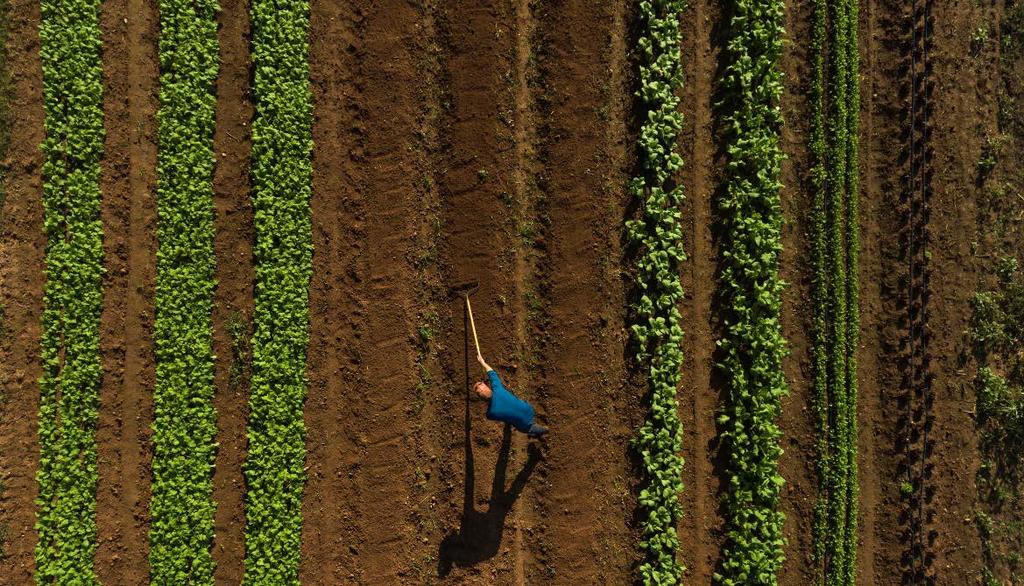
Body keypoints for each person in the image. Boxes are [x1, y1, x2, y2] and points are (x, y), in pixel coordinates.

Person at [472, 353, 548, 438]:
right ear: (489, 387)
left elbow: (491, 415)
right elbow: (491, 373)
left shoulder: (491, 413)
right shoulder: (498, 388)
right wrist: (483, 362)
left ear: (482, 400)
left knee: (529, 428)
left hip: (524, 423)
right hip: (528, 408)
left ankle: (544, 431)